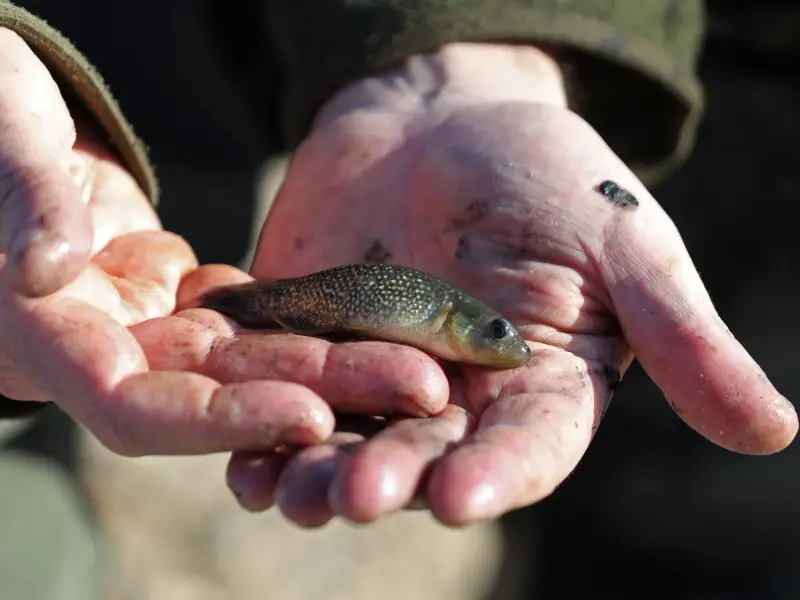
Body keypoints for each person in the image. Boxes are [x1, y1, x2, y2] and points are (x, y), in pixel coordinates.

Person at [0, 0, 796, 598]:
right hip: (138, 80)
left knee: (679, 521)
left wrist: (470, 55)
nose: (500, 342)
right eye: (490, 332)